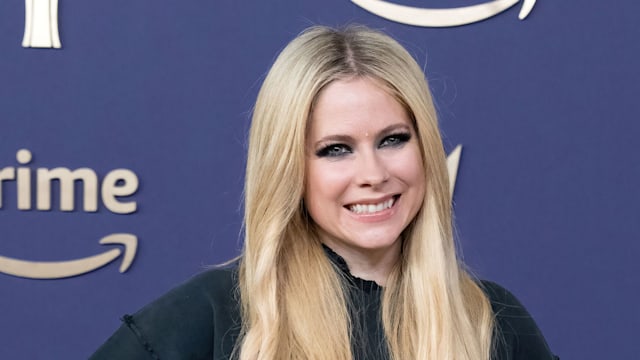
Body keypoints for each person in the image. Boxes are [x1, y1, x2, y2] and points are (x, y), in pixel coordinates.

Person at [90, 25, 558, 360]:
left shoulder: (489, 318)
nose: (373, 173)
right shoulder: (215, 313)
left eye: (393, 139)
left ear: (426, 148)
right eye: (336, 149)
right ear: (290, 167)